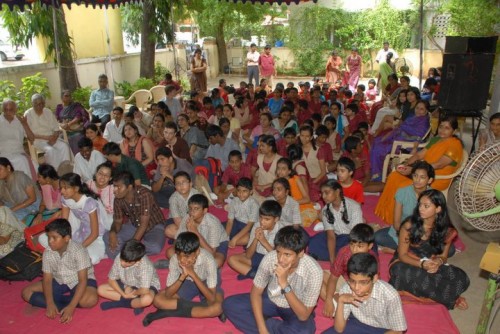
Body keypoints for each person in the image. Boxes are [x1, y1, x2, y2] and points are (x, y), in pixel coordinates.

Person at [223, 225, 323, 334]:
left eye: (287, 255)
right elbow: (256, 293)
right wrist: (262, 329)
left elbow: (303, 315)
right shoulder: (270, 258)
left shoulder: (314, 272)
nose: (280, 259)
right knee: (230, 304)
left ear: (301, 253)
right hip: (271, 298)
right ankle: (271, 326)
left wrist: (284, 284)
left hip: (295, 307)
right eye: (278, 252)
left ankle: (265, 322)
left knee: (305, 331)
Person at [389, 189, 470, 310]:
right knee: (411, 275)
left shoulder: (446, 230)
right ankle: (450, 300)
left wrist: (438, 262)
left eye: (426, 206)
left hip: (430, 262)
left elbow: (443, 257)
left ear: (438, 209)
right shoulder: (409, 225)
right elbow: (403, 255)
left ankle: (434, 292)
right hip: (406, 263)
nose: (421, 208)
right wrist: (422, 264)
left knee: (461, 277)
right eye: (420, 204)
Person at [375, 116, 464, 224]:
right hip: (422, 173)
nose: (442, 130)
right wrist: (406, 163)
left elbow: (439, 164)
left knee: (402, 185)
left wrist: (414, 170)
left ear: (454, 131)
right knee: (395, 175)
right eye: (441, 127)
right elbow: (420, 154)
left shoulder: (455, 145)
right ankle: (389, 214)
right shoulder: (436, 139)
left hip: (436, 178)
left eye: (447, 128)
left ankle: (402, 220)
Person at [21, 219, 98, 324]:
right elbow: (47, 280)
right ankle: (65, 303)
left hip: (78, 280)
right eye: (49, 237)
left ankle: (68, 304)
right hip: (59, 280)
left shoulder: (79, 251)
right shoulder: (48, 252)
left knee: (90, 300)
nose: (50, 241)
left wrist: (71, 308)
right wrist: (49, 303)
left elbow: (82, 281)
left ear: (66, 238)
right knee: (26, 293)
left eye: (54, 238)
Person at [143, 232, 224, 326]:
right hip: (188, 281)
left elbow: (211, 298)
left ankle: (167, 312)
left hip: (206, 282)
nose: (182, 260)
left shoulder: (209, 260)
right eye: (179, 255)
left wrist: (193, 274)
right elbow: (168, 294)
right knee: (158, 300)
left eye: (187, 256)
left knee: (217, 307)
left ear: (197, 252)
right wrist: (182, 277)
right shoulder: (175, 259)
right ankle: (201, 309)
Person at [325, 253, 407, 334]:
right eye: (352, 281)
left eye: (363, 282)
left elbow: (398, 330)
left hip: (383, 330)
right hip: (357, 323)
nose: (356, 287)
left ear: (375, 278)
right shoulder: (347, 288)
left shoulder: (390, 296)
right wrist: (341, 301)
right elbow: (339, 329)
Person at [321, 224, 378, 319]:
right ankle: (338, 302)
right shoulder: (344, 252)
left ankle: (341, 307)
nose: (354, 250)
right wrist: (328, 300)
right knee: (319, 276)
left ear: (370, 246)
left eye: (360, 246)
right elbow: (333, 277)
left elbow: (373, 284)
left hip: (361, 289)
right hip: (347, 283)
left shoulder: (372, 258)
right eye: (352, 244)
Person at [103, 171, 165, 258]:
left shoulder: (144, 194)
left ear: (129, 187)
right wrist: (113, 233)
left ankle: (127, 254)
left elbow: (144, 225)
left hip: (153, 226)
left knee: (155, 247)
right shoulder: (118, 198)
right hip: (134, 225)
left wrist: (131, 245)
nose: (115, 191)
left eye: (119, 187)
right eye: (114, 187)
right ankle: (128, 255)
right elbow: (117, 221)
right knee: (107, 236)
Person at [375, 161, 434, 251]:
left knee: (449, 249)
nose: (417, 180)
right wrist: (408, 237)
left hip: (424, 234)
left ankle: (401, 251)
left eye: (422, 177)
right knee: (377, 237)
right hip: (404, 232)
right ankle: (410, 250)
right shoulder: (402, 192)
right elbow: (396, 223)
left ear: (429, 180)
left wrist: (421, 236)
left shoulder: (434, 196)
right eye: (415, 176)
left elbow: (434, 224)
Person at [52, 173, 106, 265]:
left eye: (65, 188)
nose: (62, 191)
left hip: (95, 237)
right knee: (46, 239)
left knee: (90, 258)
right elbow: (64, 224)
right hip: (81, 233)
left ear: (76, 189)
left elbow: (95, 233)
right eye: (61, 188)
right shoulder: (66, 199)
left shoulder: (89, 203)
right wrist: (63, 239)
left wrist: (78, 249)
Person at [370, 100, 431, 182]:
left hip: (405, 145)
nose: (418, 111)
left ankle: (377, 175)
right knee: (377, 141)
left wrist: (401, 125)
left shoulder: (424, 122)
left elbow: (418, 134)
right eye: (417, 108)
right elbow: (402, 126)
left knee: (378, 148)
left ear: (426, 111)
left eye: (421, 109)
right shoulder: (414, 117)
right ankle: (378, 170)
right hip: (398, 139)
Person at [98, 239, 160, 314]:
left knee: (147, 299)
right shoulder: (121, 256)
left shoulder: (146, 266)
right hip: (127, 283)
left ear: (137, 261)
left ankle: (121, 303)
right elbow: (111, 279)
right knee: (100, 290)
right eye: (122, 259)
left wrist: (133, 294)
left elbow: (144, 290)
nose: (122, 263)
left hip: (145, 287)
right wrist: (125, 294)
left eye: (127, 262)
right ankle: (135, 303)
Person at [308, 180, 363, 264]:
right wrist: (332, 260)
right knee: (314, 243)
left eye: (326, 193)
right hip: (336, 237)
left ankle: (344, 257)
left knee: (359, 249)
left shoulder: (353, 206)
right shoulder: (325, 210)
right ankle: (341, 257)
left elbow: (357, 235)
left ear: (337, 192)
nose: (323, 196)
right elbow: (331, 236)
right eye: (322, 193)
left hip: (351, 238)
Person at [167, 194, 229, 268]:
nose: (192, 212)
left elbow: (212, 253)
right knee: (170, 252)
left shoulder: (213, 223)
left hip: (217, 244)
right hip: (195, 243)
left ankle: (185, 266)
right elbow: (177, 240)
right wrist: (181, 253)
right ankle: (193, 266)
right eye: (190, 208)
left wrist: (195, 231)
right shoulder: (187, 218)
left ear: (205, 210)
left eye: (196, 209)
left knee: (216, 262)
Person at [228, 199, 284, 280]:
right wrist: (256, 239)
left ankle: (251, 273)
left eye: (267, 219)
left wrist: (264, 242)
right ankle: (256, 275)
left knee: (280, 269)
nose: (262, 222)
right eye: (261, 217)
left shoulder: (282, 231)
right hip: (257, 256)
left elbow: (279, 257)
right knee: (231, 260)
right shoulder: (257, 225)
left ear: (276, 219)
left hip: (272, 261)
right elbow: (248, 255)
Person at [24, 94, 71, 170]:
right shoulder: (28, 114)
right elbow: (28, 134)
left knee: (64, 147)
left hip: (52, 138)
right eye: (37, 104)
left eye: (42, 103)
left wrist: (54, 138)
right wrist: (45, 137)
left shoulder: (48, 112)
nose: (40, 106)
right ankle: (54, 172)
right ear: (32, 104)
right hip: (38, 141)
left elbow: (56, 128)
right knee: (51, 150)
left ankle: (66, 170)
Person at [0, 99, 37, 180]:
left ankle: (27, 188)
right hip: (2, 154)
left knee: (24, 161)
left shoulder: (20, 121)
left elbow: (32, 138)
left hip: (18, 153)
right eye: (6, 109)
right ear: (2, 110)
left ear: (15, 110)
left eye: (11, 110)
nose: (8, 112)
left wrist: (25, 124)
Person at [276, 157, 317, 227]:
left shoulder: (295, 179)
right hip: (289, 210)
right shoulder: (277, 182)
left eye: (283, 169)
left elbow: (307, 199)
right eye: (278, 168)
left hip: (303, 209)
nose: (280, 171)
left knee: (295, 224)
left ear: (289, 171)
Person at [0, 157, 41, 221]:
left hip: (30, 206)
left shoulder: (20, 176)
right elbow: (3, 202)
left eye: (0, 169)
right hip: (13, 207)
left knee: (11, 219)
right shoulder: (1, 183)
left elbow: (32, 199)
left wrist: (11, 210)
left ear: (8, 168)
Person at [164, 171, 199, 240]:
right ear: (175, 187)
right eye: (178, 183)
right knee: (169, 230)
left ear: (190, 183)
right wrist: (191, 230)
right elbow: (177, 221)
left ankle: (183, 239)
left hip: (193, 219)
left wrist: (194, 225)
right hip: (176, 220)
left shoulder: (196, 194)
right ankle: (194, 238)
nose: (181, 185)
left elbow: (200, 214)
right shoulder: (173, 199)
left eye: (184, 182)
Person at [225, 177, 260, 248]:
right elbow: (230, 221)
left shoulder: (254, 205)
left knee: (251, 237)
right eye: (239, 190)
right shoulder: (234, 201)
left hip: (248, 226)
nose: (241, 193)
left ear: (251, 192)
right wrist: (226, 237)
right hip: (236, 223)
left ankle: (233, 241)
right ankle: (228, 241)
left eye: (245, 191)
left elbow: (249, 226)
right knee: (221, 228)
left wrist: (235, 239)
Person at [55, 90, 89, 155]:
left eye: (69, 96)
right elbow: (57, 119)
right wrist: (62, 125)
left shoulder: (76, 105)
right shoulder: (59, 107)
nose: (68, 97)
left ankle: (78, 157)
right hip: (63, 129)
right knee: (59, 140)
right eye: (66, 96)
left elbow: (79, 116)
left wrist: (68, 124)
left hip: (76, 129)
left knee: (77, 137)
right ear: (62, 97)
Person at [299, 125, 327, 202]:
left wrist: (312, 183)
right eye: (302, 135)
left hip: (318, 180)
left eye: (307, 136)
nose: (304, 138)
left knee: (312, 197)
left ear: (311, 137)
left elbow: (323, 172)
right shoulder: (298, 150)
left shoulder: (318, 150)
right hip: (303, 180)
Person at [87, 161, 115, 230]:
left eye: (106, 175)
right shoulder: (88, 184)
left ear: (110, 178)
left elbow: (113, 210)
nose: (102, 177)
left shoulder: (113, 189)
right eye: (100, 173)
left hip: (105, 217)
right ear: (96, 174)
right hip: (87, 214)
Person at [252, 134, 281, 199]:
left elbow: (280, 180)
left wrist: (264, 187)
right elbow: (256, 176)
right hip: (259, 189)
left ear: (270, 147)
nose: (260, 148)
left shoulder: (279, 160)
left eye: (263, 146)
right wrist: (255, 185)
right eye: (260, 145)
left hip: (273, 189)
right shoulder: (259, 157)